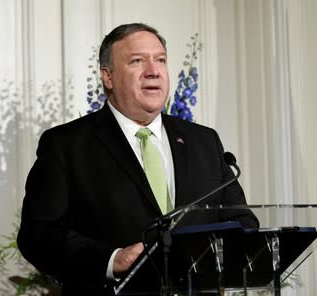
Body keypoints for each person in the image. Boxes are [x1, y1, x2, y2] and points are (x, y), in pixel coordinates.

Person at [17, 23, 258, 295]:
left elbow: (242, 221)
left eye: (161, 60)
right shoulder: (67, 144)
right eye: (137, 61)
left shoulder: (204, 141)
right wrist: (112, 259)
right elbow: (37, 235)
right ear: (108, 77)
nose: (153, 71)